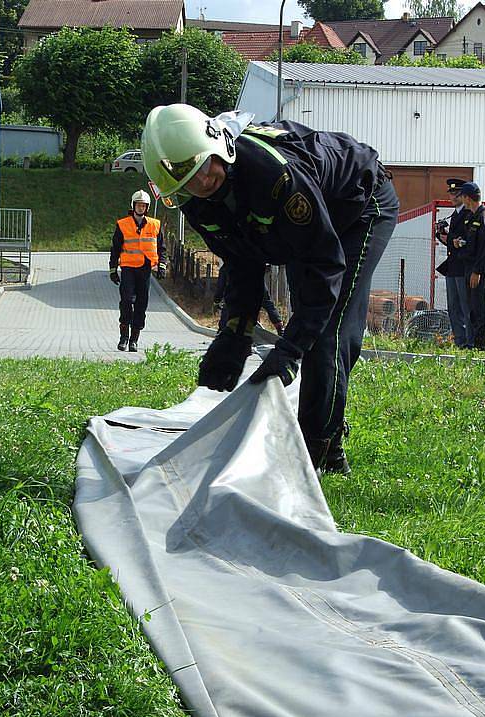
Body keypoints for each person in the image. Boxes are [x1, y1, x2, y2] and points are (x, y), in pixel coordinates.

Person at [141, 105, 399, 474]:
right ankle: (315, 428)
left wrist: (289, 350)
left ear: (216, 147)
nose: (200, 183)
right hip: (304, 229)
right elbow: (242, 261)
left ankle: (322, 448)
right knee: (307, 320)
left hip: (358, 206)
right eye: (185, 184)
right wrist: (235, 334)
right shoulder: (195, 201)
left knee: (327, 332)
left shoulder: (273, 175)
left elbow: (325, 265)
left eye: (200, 169)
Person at [109, 190, 167, 352]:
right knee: (127, 300)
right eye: (138, 205)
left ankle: (134, 340)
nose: (140, 208)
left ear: (147, 207)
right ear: (133, 206)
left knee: (141, 304)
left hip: (145, 270)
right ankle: (124, 337)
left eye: (143, 205)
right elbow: (115, 249)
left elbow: (162, 248)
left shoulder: (155, 225)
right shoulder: (123, 224)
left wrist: (162, 265)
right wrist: (113, 269)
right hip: (128, 269)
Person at [455, 182, 485, 350]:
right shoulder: (471, 217)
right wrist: (461, 243)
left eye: (462, 196)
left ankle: (482, 347)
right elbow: (473, 243)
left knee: (482, 308)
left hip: (480, 269)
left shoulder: (484, 216)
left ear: (468, 198)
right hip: (470, 267)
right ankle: (473, 343)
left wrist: (477, 271)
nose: (461, 200)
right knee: (473, 308)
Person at [436, 179, 474, 348]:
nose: (452, 196)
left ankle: (468, 341)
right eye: (451, 193)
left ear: (463, 195)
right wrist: (441, 234)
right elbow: (452, 242)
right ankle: (460, 341)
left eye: (456, 193)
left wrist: (449, 239)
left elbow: (463, 242)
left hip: (462, 267)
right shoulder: (455, 214)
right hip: (453, 267)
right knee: (453, 306)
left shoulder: (467, 214)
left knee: (465, 306)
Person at [214, 262, 284, 335]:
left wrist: (217, 300)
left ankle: (222, 330)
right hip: (257, 283)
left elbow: (220, 286)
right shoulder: (251, 257)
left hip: (239, 287)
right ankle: (280, 328)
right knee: (268, 303)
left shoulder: (227, 265)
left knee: (229, 306)